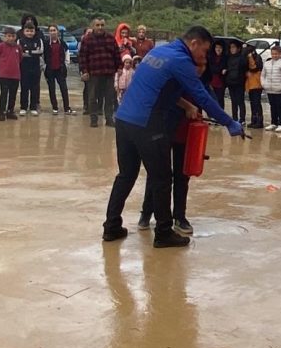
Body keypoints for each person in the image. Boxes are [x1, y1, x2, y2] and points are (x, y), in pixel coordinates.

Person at [102, 26, 243, 248]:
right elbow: (203, 97)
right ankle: (164, 233)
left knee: (126, 175)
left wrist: (185, 104)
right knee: (162, 179)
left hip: (124, 120)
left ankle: (111, 227)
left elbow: (160, 87)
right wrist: (229, 122)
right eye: (204, 51)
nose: (204, 56)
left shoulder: (159, 52)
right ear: (194, 43)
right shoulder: (181, 60)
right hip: (147, 123)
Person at [137, 60, 208, 235]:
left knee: (182, 175)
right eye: (197, 65)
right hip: (162, 131)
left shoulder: (200, 84)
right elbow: (164, 95)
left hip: (186, 133)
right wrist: (186, 106)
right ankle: (147, 213)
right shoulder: (172, 79)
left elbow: (210, 103)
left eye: (203, 65)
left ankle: (179, 217)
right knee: (158, 174)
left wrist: (227, 122)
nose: (200, 69)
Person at [79, 17, 120, 128]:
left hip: (108, 72)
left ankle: (109, 119)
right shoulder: (87, 40)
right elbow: (82, 57)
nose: (100, 27)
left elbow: (116, 54)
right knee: (92, 97)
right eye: (97, 25)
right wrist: (84, 71)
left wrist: (119, 68)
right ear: (93, 26)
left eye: (102, 25)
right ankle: (93, 119)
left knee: (109, 97)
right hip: (93, 73)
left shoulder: (111, 38)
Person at [44, 25, 73, 115]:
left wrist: (66, 64)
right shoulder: (46, 43)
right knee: (51, 89)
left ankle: (67, 108)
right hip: (49, 70)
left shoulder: (62, 43)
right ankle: (55, 108)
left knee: (64, 89)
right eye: (51, 30)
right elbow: (42, 56)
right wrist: (44, 66)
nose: (52, 32)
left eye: (54, 30)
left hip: (60, 69)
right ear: (49, 32)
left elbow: (67, 53)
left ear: (57, 32)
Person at [0, 28, 22, 121]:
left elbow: (20, 58)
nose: (11, 38)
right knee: (4, 94)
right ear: (5, 36)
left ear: (15, 37)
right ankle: (2, 112)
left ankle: (11, 111)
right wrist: (2, 66)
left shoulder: (18, 47)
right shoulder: (0, 46)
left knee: (13, 94)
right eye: (8, 36)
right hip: (4, 75)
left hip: (15, 75)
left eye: (13, 36)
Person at [262, 44, 281, 133]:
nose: (274, 55)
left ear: (280, 54)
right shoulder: (266, 63)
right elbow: (263, 75)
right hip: (270, 90)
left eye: (276, 54)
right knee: (272, 107)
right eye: (273, 53)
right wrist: (264, 84)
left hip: (280, 91)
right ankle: (273, 122)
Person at [18, 23, 44, 116]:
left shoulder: (39, 40)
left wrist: (28, 52)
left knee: (35, 88)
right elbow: (20, 53)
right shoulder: (20, 41)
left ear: (34, 31)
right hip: (24, 67)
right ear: (24, 31)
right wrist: (32, 52)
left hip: (36, 67)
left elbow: (40, 51)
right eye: (27, 31)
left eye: (31, 31)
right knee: (24, 88)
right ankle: (23, 107)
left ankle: (33, 107)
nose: (29, 33)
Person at [225, 41, 246, 124]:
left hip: (239, 82)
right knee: (233, 101)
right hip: (230, 82)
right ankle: (234, 118)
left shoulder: (242, 58)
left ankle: (242, 119)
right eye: (231, 47)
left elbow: (245, 66)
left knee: (240, 100)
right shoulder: (228, 57)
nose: (232, 49)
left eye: (234, 47)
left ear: (238, 48)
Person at [245, 47, 264, 129]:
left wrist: (250, 57)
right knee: (252, 103)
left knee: (257, 103)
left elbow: (254, 68)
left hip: (257, 84)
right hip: (250, 84)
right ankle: (254, 120)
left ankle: (259, 121)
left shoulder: (257, 58)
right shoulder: (246, 58)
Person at [207, 42, 227, 108]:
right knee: (211, 98)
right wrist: (220, 70)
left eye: (220, 48)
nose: (218, 49)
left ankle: (221, 114)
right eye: (217, 47)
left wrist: (224, 69)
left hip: (221, 82)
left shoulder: (225, 58)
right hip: (211, 81)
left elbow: (226, 67)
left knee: (220, 99)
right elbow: (211, 68)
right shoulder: (210, 57)